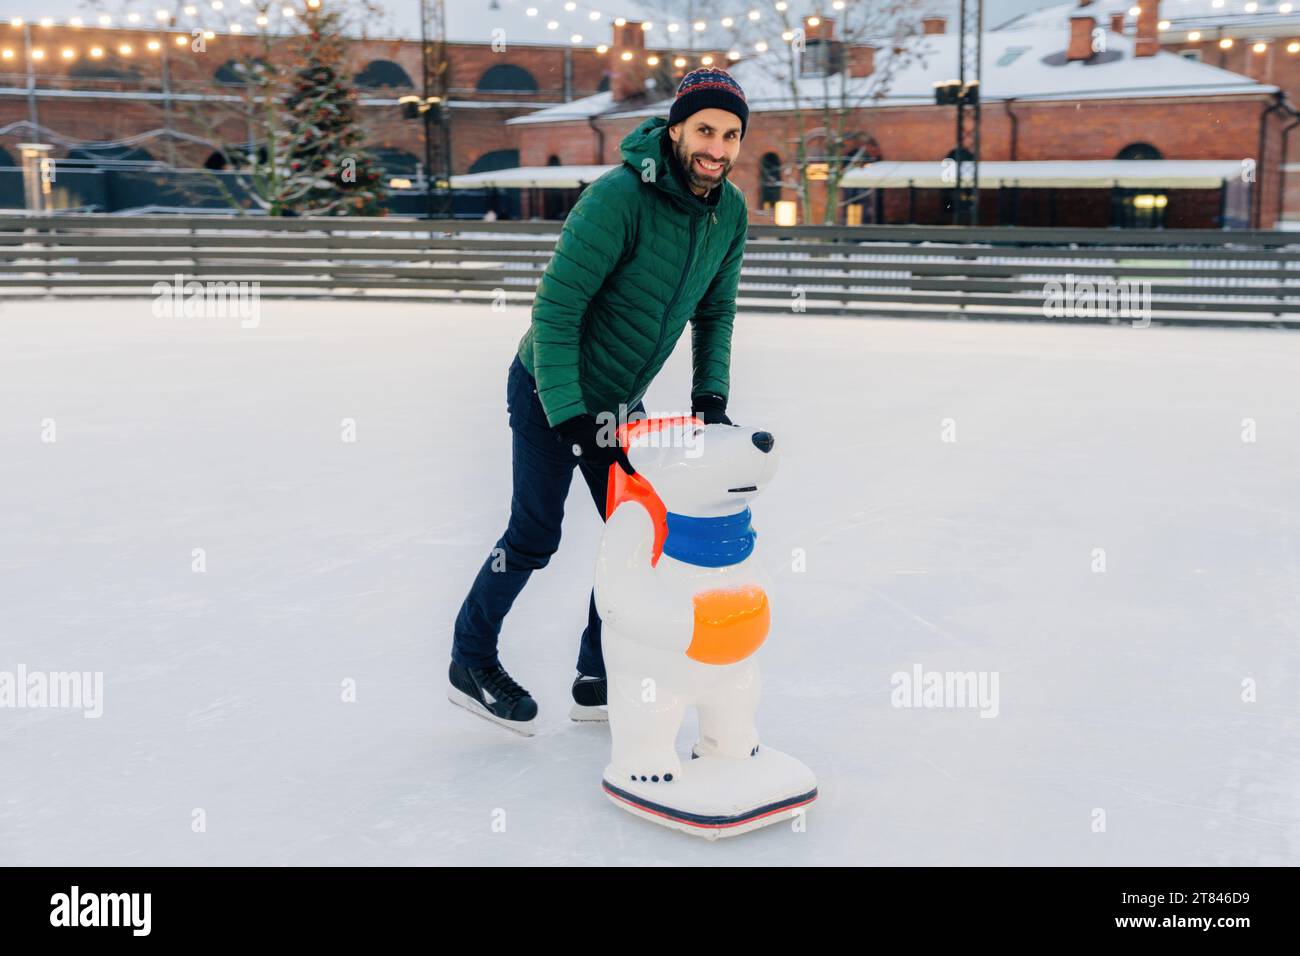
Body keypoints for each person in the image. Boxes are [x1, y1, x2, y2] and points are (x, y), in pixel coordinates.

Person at [448, 68, 752, 734]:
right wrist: (573, 418)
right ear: (675, 131)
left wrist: (711, 395)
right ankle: (469, 660)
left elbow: (717, 308)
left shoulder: (728, 210)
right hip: (546, 387)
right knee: (533, 536)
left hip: (619, 400)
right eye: (705, 130)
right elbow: (556, 311)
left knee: (639, 531)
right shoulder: (618, 198)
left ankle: (597, 672)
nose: (718, 147)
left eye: (731, 135)